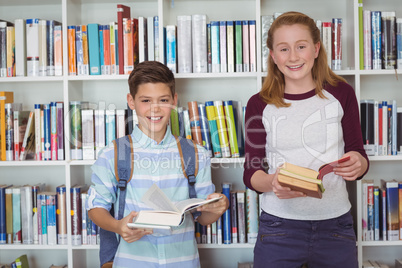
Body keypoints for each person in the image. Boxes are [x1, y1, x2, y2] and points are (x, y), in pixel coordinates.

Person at [243, 11, 369, 268]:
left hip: (335, 225)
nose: (293, 56)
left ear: (316, 48)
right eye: (284, 49)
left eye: (301, 46)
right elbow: (251, 172)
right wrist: (272, 183)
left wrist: (358, 163)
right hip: (279, 227)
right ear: (273, 55)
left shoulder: (342, 93)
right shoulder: (259, 104)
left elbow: (359, 154)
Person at [87, 60, 229, 268]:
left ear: (174, 100)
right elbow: (95, 207)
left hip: (183, 262)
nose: (155, 109)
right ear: (131, 101)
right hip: (131, 262)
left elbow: (203, 217)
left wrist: (216, 209)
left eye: (163, 100)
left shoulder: (196, 154)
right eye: (146, 100)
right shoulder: (112, 154)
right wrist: (118, 226)